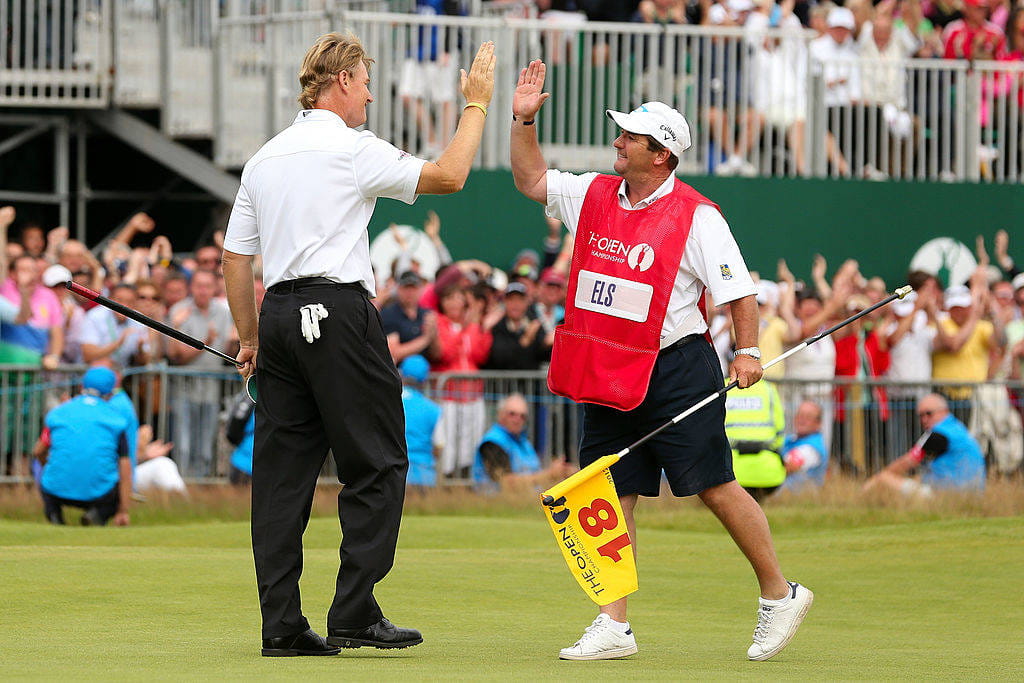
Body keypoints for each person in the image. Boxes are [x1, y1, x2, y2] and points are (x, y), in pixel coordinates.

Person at [510, 62, 812, 662]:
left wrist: (749, 351)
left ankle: (781, 593)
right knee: (609, 490)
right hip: (609, 368)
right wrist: (523, 118)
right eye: (621, 134)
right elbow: (531, 178)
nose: (617, 143)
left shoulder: (698, 215)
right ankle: (612, 623)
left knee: (714, 487)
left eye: (630, 138)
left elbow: (739, 291)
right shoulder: (594, 192)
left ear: (661, 156)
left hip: (677, 368)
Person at [220, 32, 496, 657]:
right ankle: (352, 610)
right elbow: (450, 175)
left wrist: (250, 338)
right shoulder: (350, 148)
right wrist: (476, 103)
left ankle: (282, 627)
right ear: (341, 80)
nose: (371, 96)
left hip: (281, 313)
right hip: (339, 311)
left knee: (282, 479)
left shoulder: (263, 158)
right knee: (377, 461)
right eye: (366, 83)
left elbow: (236, 258)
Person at [33, 367, 133, 526]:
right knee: (114, 487)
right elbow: (125, 468)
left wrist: (49, 467)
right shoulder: (116, 420)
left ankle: (54, 514)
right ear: (110, 393)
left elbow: (38, 451)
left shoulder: (58, 413)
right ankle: (97, 515)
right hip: (99, 493)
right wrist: (123, 510)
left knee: (47, 478)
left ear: (81, 386)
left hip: (56, 490)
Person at [864, 393, 986, 495]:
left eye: (929, 413)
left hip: (945, 494)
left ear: (944, 411)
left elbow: (906, 462)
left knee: (884, 479)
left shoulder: (938, 433)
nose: (924, 419)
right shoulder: (957, 428)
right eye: (921, 415)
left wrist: (875, 478)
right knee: (914, 479)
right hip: (972, 493)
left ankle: (861, 496)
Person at [473, 393, 567, 489]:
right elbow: (507, 483)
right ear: (500, 415)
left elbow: (534, 472)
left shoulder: (523, 442)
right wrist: (550, 475)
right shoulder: (492, 442)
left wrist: (563, 471)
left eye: (522, 416)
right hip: (497, 501)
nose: (517, 420)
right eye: (512, 414)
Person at [725, 376, 787, 502]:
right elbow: (780, 432)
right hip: (769, 472)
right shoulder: (769, 389)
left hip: (730, 471)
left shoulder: (721, 388)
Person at [399, 355, 443, 489]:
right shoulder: (434, 409)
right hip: (424, 476)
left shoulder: (389, 403)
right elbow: (439, 446)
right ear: (425, 380)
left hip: (393, 472)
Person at [781, 401, 829, 490]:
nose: (802, 420)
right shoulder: (791, 439)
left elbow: (790, 466)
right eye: (800, 415)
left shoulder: (813, 448)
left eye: (808, 417)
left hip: (797, 499)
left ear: (818, 423)